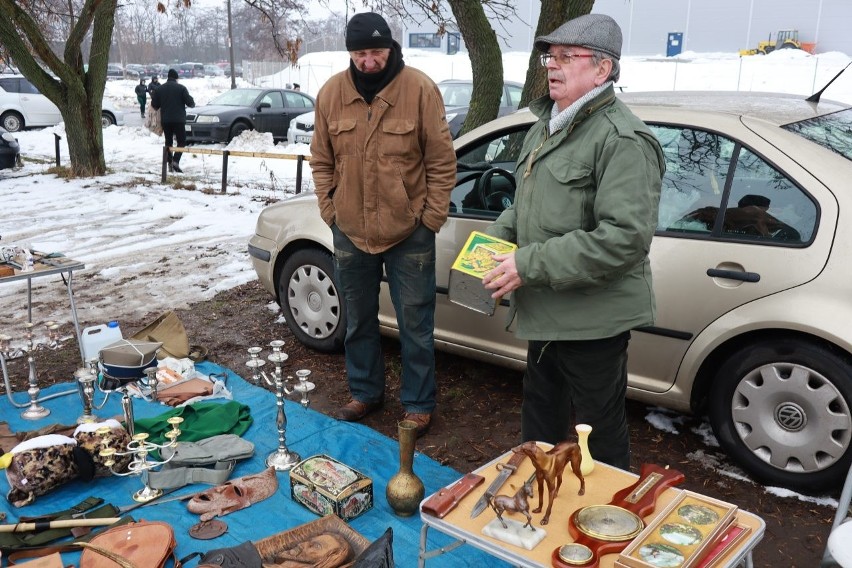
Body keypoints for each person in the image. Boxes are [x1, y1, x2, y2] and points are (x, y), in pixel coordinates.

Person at [481, 13, 665, 469]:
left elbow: (623, 238)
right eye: (550, 56)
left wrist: (529, 264)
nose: (553, 66)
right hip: (546, 310)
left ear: (603, 70)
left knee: (597, 435)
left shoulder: (623, 139)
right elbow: (528, 205)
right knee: (539, 418)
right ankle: (536, 503)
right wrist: (494, 242)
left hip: (592, 320)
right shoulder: (548, 125)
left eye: (567, 56)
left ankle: (606, 523)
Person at [310, 12, 456, 438]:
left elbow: (442, 162)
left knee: (415, 322)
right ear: (350, 53)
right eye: (360, 53)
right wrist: (329, 208)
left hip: (409, 230)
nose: (369, 61)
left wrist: (429, 219)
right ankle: (365, 392)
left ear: (391, 48)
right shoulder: (332, 93)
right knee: (357, 318)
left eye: (376, 51)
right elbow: (321, 160)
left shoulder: (419, 89)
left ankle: (418, 403)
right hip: (351, 229)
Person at [151, 68, 195, 173]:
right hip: (179, 120)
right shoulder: (181, 88)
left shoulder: (160, 89)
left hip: (166, 121)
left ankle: (170, 163)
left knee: (168, 142)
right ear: (176, 78)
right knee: (181, 141)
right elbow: (190, 103)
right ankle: (175, 161)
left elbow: (154, 105)